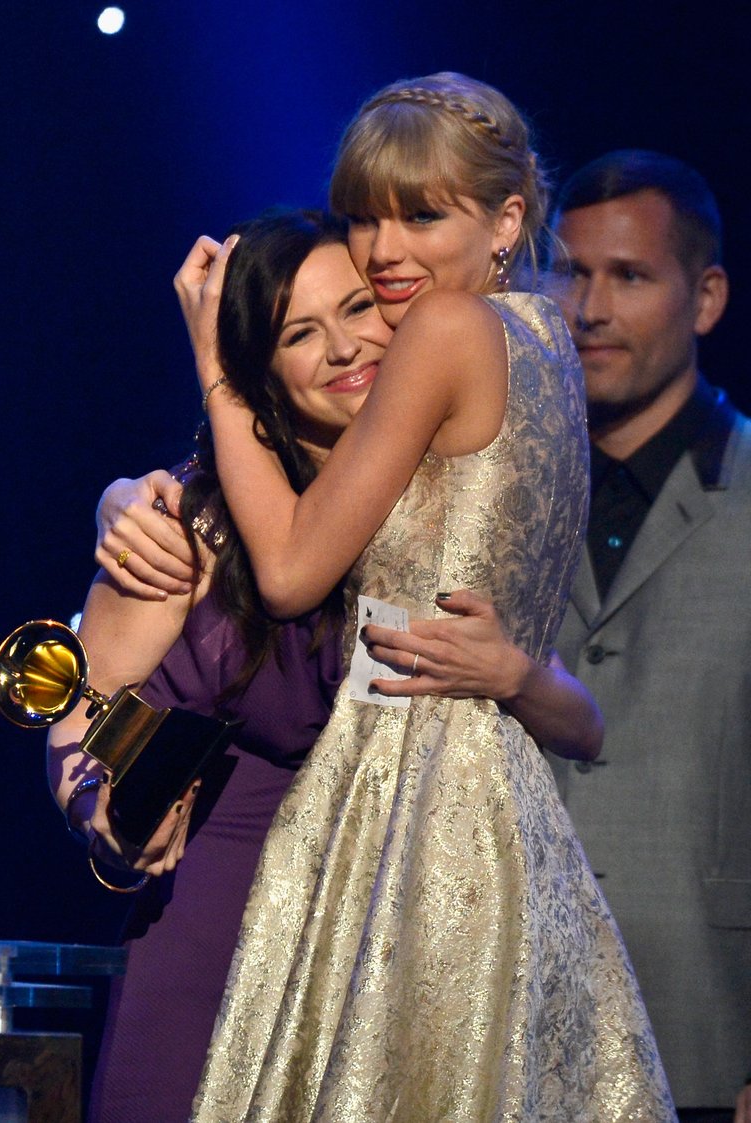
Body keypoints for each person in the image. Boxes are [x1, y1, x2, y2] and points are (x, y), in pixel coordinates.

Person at [177, 74, 673, 1120]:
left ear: (504, 219)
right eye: (363, 214)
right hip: (496, 798)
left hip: (409, 794)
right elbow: (571, 710)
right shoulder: (543, 341)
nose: (383, 247)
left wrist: (220, 373)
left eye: (420, 214)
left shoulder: (445, 330)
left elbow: (290, 570)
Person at [58, 210, 604, 1123]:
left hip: (384, 945)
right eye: (298, 334)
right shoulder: (189, 519)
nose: (346, 346)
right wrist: (98, 811)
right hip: (215, 943)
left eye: (359, 308)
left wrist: (513, 673)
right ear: (256, 369)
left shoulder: (441, 504)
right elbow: (79, 714)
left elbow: (585, 723)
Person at [541, 150, 751, 1123]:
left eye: (626, 276)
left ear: (703, 297)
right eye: (568, 271)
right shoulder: (507, 494)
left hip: (703, 1041)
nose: (587, 309)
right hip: (509, 1035)